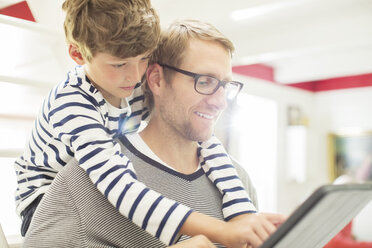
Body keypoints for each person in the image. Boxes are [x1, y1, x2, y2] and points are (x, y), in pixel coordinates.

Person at [14, 0, 260, 245]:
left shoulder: (131, 83)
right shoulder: (71, 104)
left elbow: (202, 137)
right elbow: (120, 186)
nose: (135, 76)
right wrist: (220, 230)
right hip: (42, 200)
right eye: (119, 64)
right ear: (78, 54)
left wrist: (242, 212)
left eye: (143, 59)